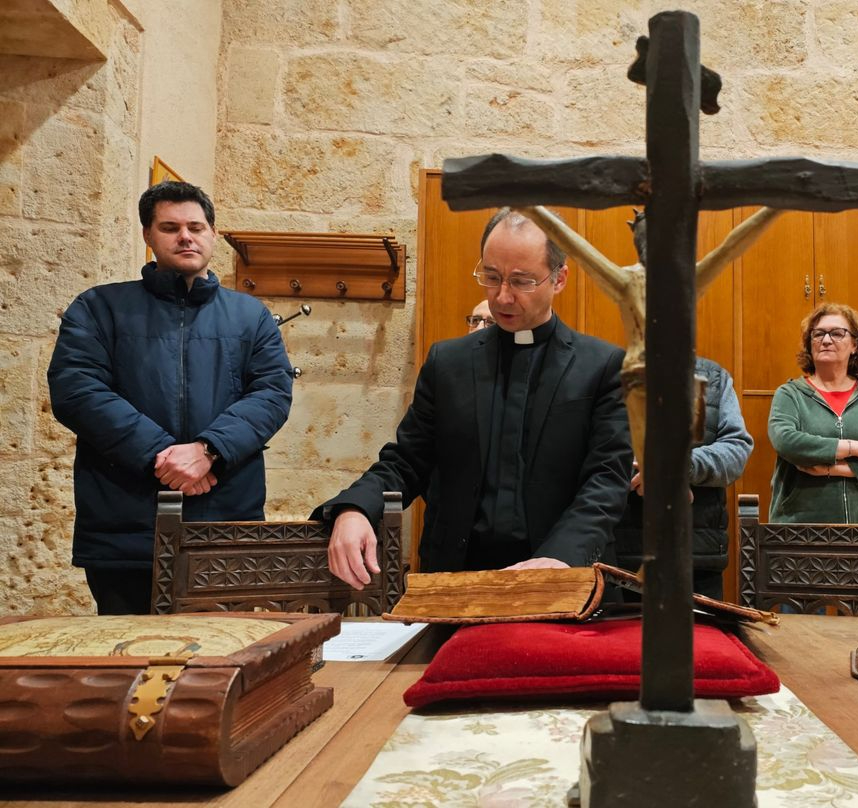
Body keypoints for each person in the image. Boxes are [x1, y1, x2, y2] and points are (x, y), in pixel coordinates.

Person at [319, 208, 632, 587]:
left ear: (559, 279)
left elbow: (606, 479)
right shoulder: (447, 363)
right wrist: (354, 509)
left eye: (521, 281)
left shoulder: (603, 366)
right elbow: (406, 461)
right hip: (457, 577)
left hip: (563, 579)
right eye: (491, 277)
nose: (502, 296)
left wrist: (560, 557)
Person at [47, 181, 294, 615]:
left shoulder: (250, 316)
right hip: (125, 523)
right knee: (129, 660)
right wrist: (165, 456)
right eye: (170, 226)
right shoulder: (98, 308)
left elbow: (272, 393)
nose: (186, 236)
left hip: (223, 522)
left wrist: (209, 449)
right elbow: (76, 389)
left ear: (213, 235)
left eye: (196, 226)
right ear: (148, 235)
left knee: (224, 661)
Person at [614, 357, 753, 600]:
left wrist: (677, 469)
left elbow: (737, 450)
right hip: (621, 555)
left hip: (697, 556)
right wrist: (646, 470)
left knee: (703, 638)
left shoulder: (714, 378)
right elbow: (592, 451)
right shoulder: (611, 373)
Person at [767, 303, 858, 524]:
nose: (826, 340)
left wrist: (831, 470)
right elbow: (787, 442)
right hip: (800, 528)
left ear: (854, 345)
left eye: (837, 333)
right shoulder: (790, 394)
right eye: (818, 334)